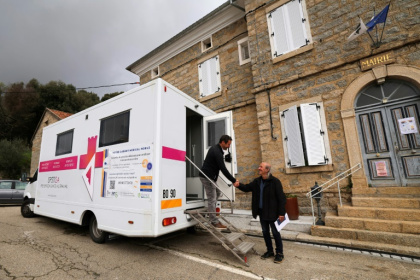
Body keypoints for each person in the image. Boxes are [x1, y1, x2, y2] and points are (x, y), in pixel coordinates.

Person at [234, 162, 287, 263]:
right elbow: (246, 188)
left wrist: (281, 213)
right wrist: (238, 185)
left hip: (273, 213)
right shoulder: (257, 181)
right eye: (259, 166)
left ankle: (279, 253)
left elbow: (282, 198)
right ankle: (270, 251)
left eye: (261, 167)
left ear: (267, 170)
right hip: (262, 213)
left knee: (275, 233)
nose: (259, 168)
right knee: (265, 232)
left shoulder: (275, 182)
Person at [200, 135, 238, 229]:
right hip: (206, 177)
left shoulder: (218, 149)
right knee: (212, 198)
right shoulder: (216, 151)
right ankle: (213, 221)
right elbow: (223, 169)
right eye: (228, 144)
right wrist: (233, 180)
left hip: (211, 177)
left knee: (217, 193)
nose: (229, 146)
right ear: (223, 142)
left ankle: (211, 211)